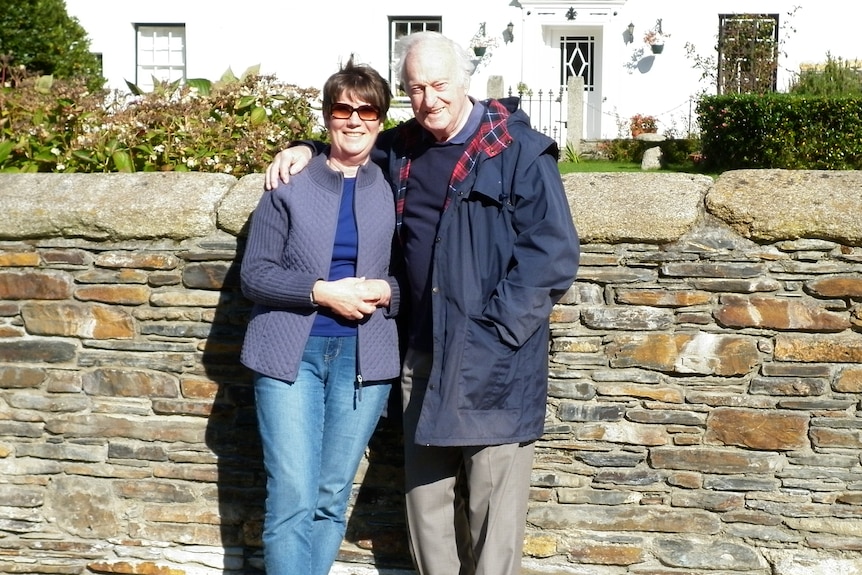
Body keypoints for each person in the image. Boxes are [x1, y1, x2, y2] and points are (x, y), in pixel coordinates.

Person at [264, 31, 579, 575]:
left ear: (464, 82)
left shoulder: (519, 151)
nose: (429, 99)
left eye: (438, 85)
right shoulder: (402, 147)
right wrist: (306, 149)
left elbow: (552, 254)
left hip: (495, 356)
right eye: (415, 88)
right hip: (422, 354)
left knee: (491, 514)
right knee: (426, 507)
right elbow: (351, 143)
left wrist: (498, 331)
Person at [240, 57, 402, 575]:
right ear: (327, 115)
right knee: (292, 494)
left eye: (367, 110)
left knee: (332, 495)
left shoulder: (395, 186)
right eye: (342, 109)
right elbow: (254, 275)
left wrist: (387, 288)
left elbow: (416, 276)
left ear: (381, 118)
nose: (354, 120)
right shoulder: (290, 181)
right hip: (291, 355)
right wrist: (320, 292)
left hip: (364, 357)